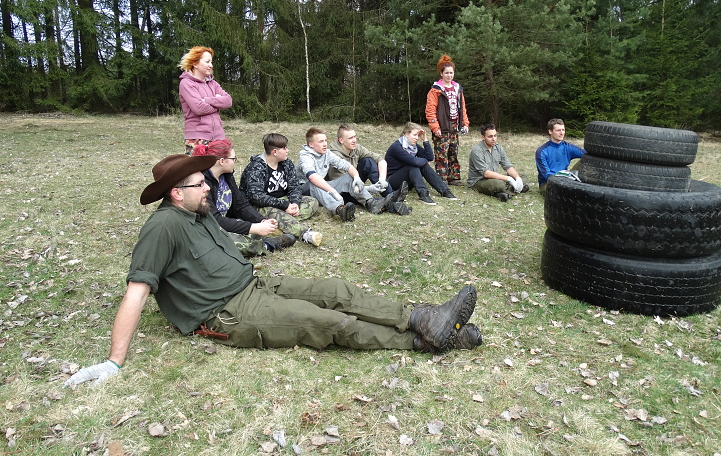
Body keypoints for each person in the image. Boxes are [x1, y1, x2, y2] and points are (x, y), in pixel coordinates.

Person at [63, 154, 482, 387]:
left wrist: (267, 235)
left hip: (256, 284)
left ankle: (424, 318)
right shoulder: (162, 227)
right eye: (199, 183)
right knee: (326, 321)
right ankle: (424, 341)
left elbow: (231, 239)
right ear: (176, 193)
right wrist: (114, 362)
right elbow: (137, 292)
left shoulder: (199, 212)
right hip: (227, 314)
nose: (208, 187)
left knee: (337, 290)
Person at [193, 140, 296, 255]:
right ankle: (266, 245)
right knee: (228, 243)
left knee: (254, 230)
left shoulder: (226, 176)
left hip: (224, 224)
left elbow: (240, 205)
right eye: (234, 159)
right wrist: (253, 227)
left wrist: (261, 220)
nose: (235, 162)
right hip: (206, 229)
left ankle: (259, 240)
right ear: (222, 161)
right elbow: (215, 220)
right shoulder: (202, 184)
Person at [298, 127, 399, 222]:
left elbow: (347, 166)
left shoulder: (327, 153)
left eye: (325, 140)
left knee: (348, 177)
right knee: (314, 183)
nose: (325, 144)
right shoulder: (306, 157)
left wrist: (356, 177)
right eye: (321, 141)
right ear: (311, 144)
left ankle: (370, 203)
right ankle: (340, 209)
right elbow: (312, 177)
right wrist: (332, 191)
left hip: (322, 188)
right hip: (304, 191)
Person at [239, 133, 323, 247]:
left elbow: (294, 186)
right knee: (274, 213)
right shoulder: (255, 168)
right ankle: (305, 233)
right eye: (284, 148)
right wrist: (284, 205)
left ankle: (279, 225)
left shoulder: (286, 163)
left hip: (283, 201)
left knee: (312, 202)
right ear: (275, 152)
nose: (288, 150)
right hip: (260, 206)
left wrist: (295, 203)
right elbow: (256, 197)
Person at [328, 124, 411, 216]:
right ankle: (393, 205)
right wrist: (369, 188)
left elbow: (380, 159)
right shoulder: (334, 155)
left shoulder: (355, 148)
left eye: (355, 136)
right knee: (363, 198)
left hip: (355, 182)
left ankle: (391, 195)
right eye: (350, 138)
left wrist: (382, 179)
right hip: (341, 192)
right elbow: (345, 185)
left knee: (368, 161)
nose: (354, 140)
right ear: (341, 140)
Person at [384, 122, 458, 205]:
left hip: (407, 181)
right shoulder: (397, 147)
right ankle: (423, 194)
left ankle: (445, 191)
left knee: (422, 165)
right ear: (406, 134)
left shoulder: (413, 146)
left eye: (418, 135)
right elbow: (415, 161)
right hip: (392, 182)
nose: (417, 138)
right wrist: (425, 160)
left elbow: (430, 157)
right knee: (413, 166)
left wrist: (425, 140)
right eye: (414, 135)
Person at [178, 46, 232, 155]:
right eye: (207, 62)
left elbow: (228, 101)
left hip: (218, 138)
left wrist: (207, 100)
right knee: (196, 166)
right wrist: (218, 102)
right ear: (195, 63)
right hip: (197, 139)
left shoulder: (213, 83)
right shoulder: (186, 83)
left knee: (220, 166)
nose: (211, 65)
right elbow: (199, 108)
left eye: (211, 62)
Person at [425, 54, 470, 186]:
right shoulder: (435, 91)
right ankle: (441, 179)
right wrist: (435, 127)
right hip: (442, 127)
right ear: (441, 73)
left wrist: (465, 123)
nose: (449, 75)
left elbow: (463, 108)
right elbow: (430, 111)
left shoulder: (458, 89)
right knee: (441, 154)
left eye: (451, 73)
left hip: (455, 126)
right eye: (446, 73)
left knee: (453, 152)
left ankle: (454, 178)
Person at [467, 124, 530, 202]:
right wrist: (509, 179)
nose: (493, 139)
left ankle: (505, 192)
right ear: (483, 137)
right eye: (490, 136)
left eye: (495, 136)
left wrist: (517, 178)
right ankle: (513, 190)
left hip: (495, 177)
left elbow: (507, 166)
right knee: (498, 184)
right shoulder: (477, 151)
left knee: (522, 176)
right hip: (479, 181)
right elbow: (486, 173)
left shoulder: (498, 147)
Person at [535, 118, 586, 193]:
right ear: (550, 131)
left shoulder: (568, 147)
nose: (562, 133)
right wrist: (562, 182)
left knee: (586, 159)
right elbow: (546, 175)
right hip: (548, 183)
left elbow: (586, 154)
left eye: (563, 130)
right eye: (558, 130)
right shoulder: (541, 151)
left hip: (565, 178)